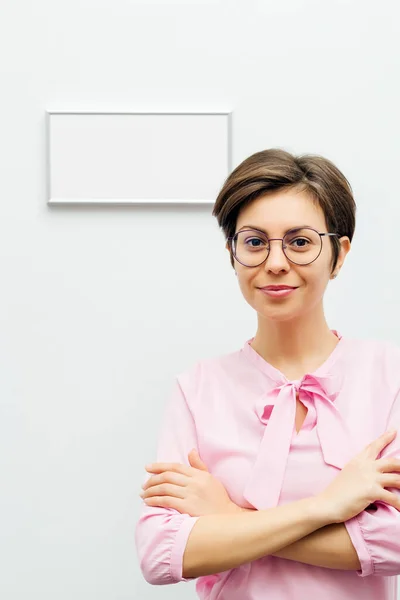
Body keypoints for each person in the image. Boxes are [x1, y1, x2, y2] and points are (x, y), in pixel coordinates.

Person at [134, 148, 400, 600]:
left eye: (300, 241)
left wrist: (229, 519)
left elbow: (395, 542)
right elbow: (161, 553)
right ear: (233, 255)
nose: (275, 263)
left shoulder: (389, 376)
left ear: (339, 253)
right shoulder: (198, 388)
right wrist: (327, 508)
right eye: (255, 242)